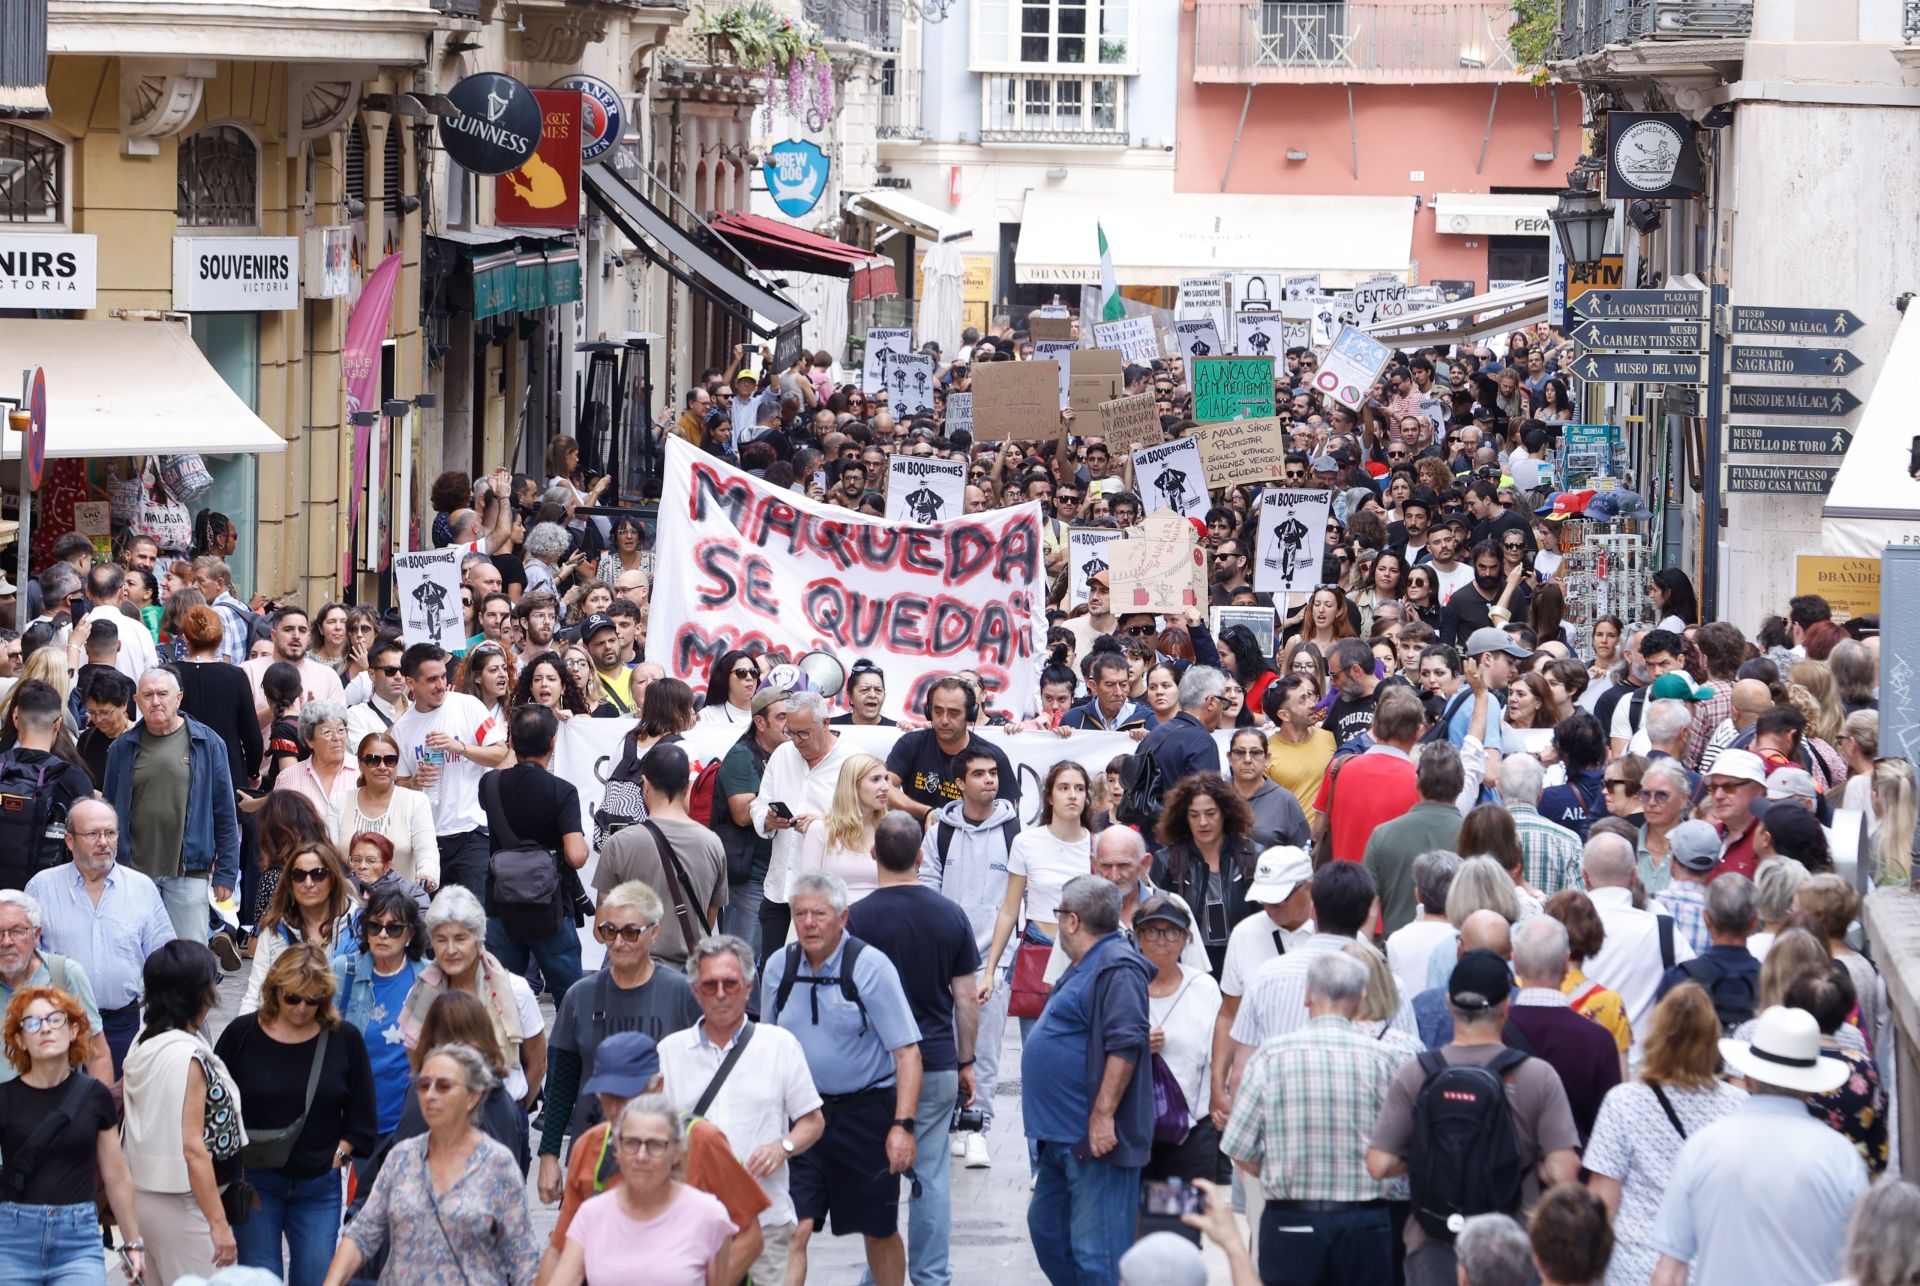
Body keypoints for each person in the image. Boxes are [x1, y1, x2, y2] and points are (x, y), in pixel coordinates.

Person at [1366, 949, 1582, 1286]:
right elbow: (1564, 1172)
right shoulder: (1538, 1076)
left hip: (1432, 1244)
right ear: (1506, 1008)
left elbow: (1379, 1164)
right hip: (1511, 1246)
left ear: (1450, 1003)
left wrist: (1429, 1155)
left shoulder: (1417, 1072)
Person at [761, 870, 922, 1286]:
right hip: (801, 1116)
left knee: (879, 1228)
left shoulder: (870, 967)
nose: (809, 923)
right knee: (794, 1226)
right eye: (800, 914)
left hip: (865, 1114)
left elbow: (907, 1054)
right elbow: (767, 1046)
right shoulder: (780, 966)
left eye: (820, 913)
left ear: (843, 917)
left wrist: (902, 1127)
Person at [846, 812, 980, 1286]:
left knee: (878, 1181)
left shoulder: (855, 919)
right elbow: (965, 998)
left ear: (873, 854)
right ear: (922, 857)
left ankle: (878, 1276)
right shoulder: (949, 914)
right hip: (938, 1059)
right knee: (932, 1177)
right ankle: (930, 1276)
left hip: (877, 1069)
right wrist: (968, 1062)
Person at [1647, 1005, 1867, 1286]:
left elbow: (1669, 1272)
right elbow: (1862, 1268)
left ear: (1748, 1079)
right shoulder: (1841, 1157)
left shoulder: (1702, 1148)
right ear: (1811, 1088)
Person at [1222, 950, 1405, 1286]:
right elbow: (1404, 1145)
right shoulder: (1385, 1059)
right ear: (1361, 999)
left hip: (1291, 1218)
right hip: (1365, 1221)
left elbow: (1239, 1147)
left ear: (1307, 996)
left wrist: (1277, 1168)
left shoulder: (1270, 1057)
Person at [658, 935, 825, 1286]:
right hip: (691, 1228)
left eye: (730, 984)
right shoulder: (669, 1053)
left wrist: (784, 1147)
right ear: (696, 990)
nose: (721, 993)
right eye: (710, 984)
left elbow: (812, 1120)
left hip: (766, 1219)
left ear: (748, 987)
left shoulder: (779, 1045)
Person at [216, 943, 376, 1286]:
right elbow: (216, 1108)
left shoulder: (343, 1038)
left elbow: (362, 1113)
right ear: (275, 991)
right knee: (260, 1278)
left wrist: (337, 1155)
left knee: (317, 1278)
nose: (302, 1008)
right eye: (293, 998)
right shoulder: (242, 1034)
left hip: (318, 1182)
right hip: (257, 1180)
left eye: (313, 1000)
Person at [1023, 875, 1153, 1286]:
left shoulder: (1117, 965)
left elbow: (1127, 1044)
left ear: (1073, 921)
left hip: (1091, 1139)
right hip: (1059, 1138)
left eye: (1059, 914)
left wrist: (1102, 1116)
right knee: (1048, 1232)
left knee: (1098, 1255)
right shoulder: (1088, 964)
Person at [536, 881, 701, 1200]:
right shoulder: (580, 997)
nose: (619, 942)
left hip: (663, 1154)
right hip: (593, 1152)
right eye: (610, 931)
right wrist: (549, 1156)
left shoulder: (680, 994)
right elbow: (561, 1085)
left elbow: (699, 1074)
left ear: (654, 933)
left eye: (630, 932)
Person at [322, 1043, 539, 1286]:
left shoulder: (498, 1165)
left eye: (444, 1086)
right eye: (424, 1085)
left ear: (473, 1097)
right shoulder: (401, 1158)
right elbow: (364, 1232)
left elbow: (523, 1260)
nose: (431, 1095)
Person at [918, 748, 1024, 1170]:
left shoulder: (1015, 830)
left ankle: (978, 1128)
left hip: (994, 963)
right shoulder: (940, 830)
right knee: (944, 1047)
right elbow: (928, 889)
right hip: (947, 963)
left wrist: (1001, 963)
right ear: (960, 784)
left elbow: (1019, 901)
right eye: (978, 774)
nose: (989, 780)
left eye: (994, 773)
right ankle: (950, 1124)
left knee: (986, 1051)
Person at [0, 985, 144, 1285]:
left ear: (73, 1029)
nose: (45, 1029)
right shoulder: (5, 1098)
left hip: (77, 1240)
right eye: (32, 1023)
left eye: (55, 1019)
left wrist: (133, 1243)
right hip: (13, 1239)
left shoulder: (94, 1097)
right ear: (19, 1040)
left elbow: (116, 1176)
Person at [26, 798, 175, 1073]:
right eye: (93, 834)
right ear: (69, 841)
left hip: (123, 1025)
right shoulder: (41, 887)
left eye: (110, 833)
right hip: (60, 1026)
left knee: (117, 1109)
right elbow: (28, 961)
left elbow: (164, 960)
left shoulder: (141, 888)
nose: (103, 842)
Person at [121, 942, 240, 1282]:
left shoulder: (143, 1041)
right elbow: (193, 1148)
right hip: (183, 1204)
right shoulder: (188, 1057)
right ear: (199, 991)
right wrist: (219, 1224)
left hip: (143, 1199)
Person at [104, 666, 240, 948]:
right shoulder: (122, 748)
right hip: (134, 872)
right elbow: (108, 811)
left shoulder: (207, 743)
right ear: (137, 702)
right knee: (135, 953)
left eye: (163, 694)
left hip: (189, 870)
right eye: (148, 695)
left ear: (178, 698)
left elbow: (225, 811)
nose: (156, 701)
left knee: (189, 956)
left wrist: (226, 871)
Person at [544, 1094, 741, 1286]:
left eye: (655, 1145)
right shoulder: (592, 1215)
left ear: (676, 1152)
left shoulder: (710, 1216)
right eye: (631, 1143)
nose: (641, 1155)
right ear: (618, 1150)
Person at [478, 704, 587, 1000]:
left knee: (503, 1000)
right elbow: (576, 856)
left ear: (511, 740)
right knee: (571, 1000)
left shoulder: (490, 784)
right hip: (550, 908)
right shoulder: (562, 791)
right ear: (553, 741)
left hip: (500, 906)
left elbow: (503, 770)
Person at [403, 886, 547, 1107]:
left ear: (479, 940)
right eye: (441, 939)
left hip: (502, 1109)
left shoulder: (515, 989)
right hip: (443, 1113)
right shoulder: (421, 992)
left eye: (460, 938)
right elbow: (416, 1059)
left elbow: (537, 1063)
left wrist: (512, 1112)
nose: (450, 950)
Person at [391, 643, 510, 904]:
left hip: (473, 831)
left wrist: (460, 747)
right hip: (428, 839)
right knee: (432, 919)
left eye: (443, 676)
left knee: (471, 915)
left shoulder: (468, 706)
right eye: (431, 680)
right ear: (411, 683)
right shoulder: (401, 729)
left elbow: (499, 752)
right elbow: (396, 785)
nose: (441, 685)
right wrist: (414, 781)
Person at [593, 743, 726, 967]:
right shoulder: (713, 845)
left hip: (632, 974)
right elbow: (707, 922)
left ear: (644, 785)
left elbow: (602, 928)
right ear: (687, 787)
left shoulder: (619, 843)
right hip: (687, 978)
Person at [330, 883, 426, 1179]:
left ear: (410, 934)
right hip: (353, 1123)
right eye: (375, 926)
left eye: (394, 928)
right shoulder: (342, 971)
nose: (383, 934)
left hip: (410, 1123)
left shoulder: (428, 979)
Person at [753, 690, 854, 962]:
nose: (796, 741)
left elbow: (865, 825)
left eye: (804, 734)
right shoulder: (782, 754)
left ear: (826, 723)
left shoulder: (853, 761)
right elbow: (759, 804)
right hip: (779, 889)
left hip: (824, 896)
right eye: (791, 732)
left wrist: (821, 825)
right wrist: (767, 819)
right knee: (775, 976)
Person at [1508, 916, 1623, 1141]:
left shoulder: (1494, 1032)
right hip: (1577, 1168)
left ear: (1516, 964)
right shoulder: (1598, 1040)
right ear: (1565, 963)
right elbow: (1610, 1129)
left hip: (1509, 1169)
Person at [1580, 832, 1692, 1060]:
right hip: (1643, 1069)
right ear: (1633, 876)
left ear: (1585, 877)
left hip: (1579, 1066)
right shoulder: (1660, 928)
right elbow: (1692, 985)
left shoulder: (1562, 928)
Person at [1151, 772, 1260, 976]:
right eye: (1194, 815)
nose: (1202, 822)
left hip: (1243, 960)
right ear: (1184, 817)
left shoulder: (1252, 856)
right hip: (1187, 964)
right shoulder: (1167, 861)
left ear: (1225, 813)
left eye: (1210, 813)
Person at [0, 891, 112, 1086]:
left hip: (57, 1110)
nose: (6, 942)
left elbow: (97, 1056)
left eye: (17, 931)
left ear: (36, 935)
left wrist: (98, 1112)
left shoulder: (64, 974)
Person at [1363, 741, 1467, 936]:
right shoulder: (1475, 836)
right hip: (1459, 957)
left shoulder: (1383, 835)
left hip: (1395, 956)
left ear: (1417, 781)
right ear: (1461, 783)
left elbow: (1369, 910)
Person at [240, 839, 355, 1013]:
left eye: (318, 874)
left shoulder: (358, 926)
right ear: (290, 882)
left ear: (332, 879)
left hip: (340, 1029)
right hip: (285, 1030)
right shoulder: (274, 929)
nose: (308, 883)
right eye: (299, 875)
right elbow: (256, 993)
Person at [1315, 686, 1424, 863]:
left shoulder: (1338, 768)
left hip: (1341, 883)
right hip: (1390, 888)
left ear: (1374, 725)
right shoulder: (1420, 783)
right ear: (1418, 731)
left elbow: (1318, 831)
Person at [884, 676, 1017, 820]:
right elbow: (885, 786)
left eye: (954, 713)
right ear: (928, 712)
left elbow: (1009, 813)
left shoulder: (993, 756)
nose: (944, 720)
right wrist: (926, 812)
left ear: (970, 714)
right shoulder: (911, 744)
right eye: (938, 711)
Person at [330, 731, 439, 889]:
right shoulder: (339, 801)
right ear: (360, 764)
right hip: (350, 902)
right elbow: (329, 854)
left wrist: (427, 875)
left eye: (390, 760)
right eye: (373, 760)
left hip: (400, 903)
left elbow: (427, 850)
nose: (382, 767)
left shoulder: (416, 801)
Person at [1654, 871, 1760, 1029]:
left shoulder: (1678, 979)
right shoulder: (1771, 982)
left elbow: (1661, 1038)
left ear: (1706, 918)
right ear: (1754, 922)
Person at [1500, 754, 1584, 897]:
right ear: (1540, 791)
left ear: (1499, 789)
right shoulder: (1569, 839)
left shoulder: (1481, 834)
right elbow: (1578, 900)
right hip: (1551, 918)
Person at [1264, 674, 1338, 823]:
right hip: (1291, 842)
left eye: (1309, 696)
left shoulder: (1331, 738)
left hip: (1330, 840)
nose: (1312, 704)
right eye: (1302, 700)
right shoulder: (1266, 754)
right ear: (1284, 715)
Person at [1226, 726, 1311, 852]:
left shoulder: (1285, 801)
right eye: (1239, 752)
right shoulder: (1215, 795)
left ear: (1267, 758)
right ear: (1229, 757)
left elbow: (1303, 853)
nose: (1247, 760)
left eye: (1255, 753)